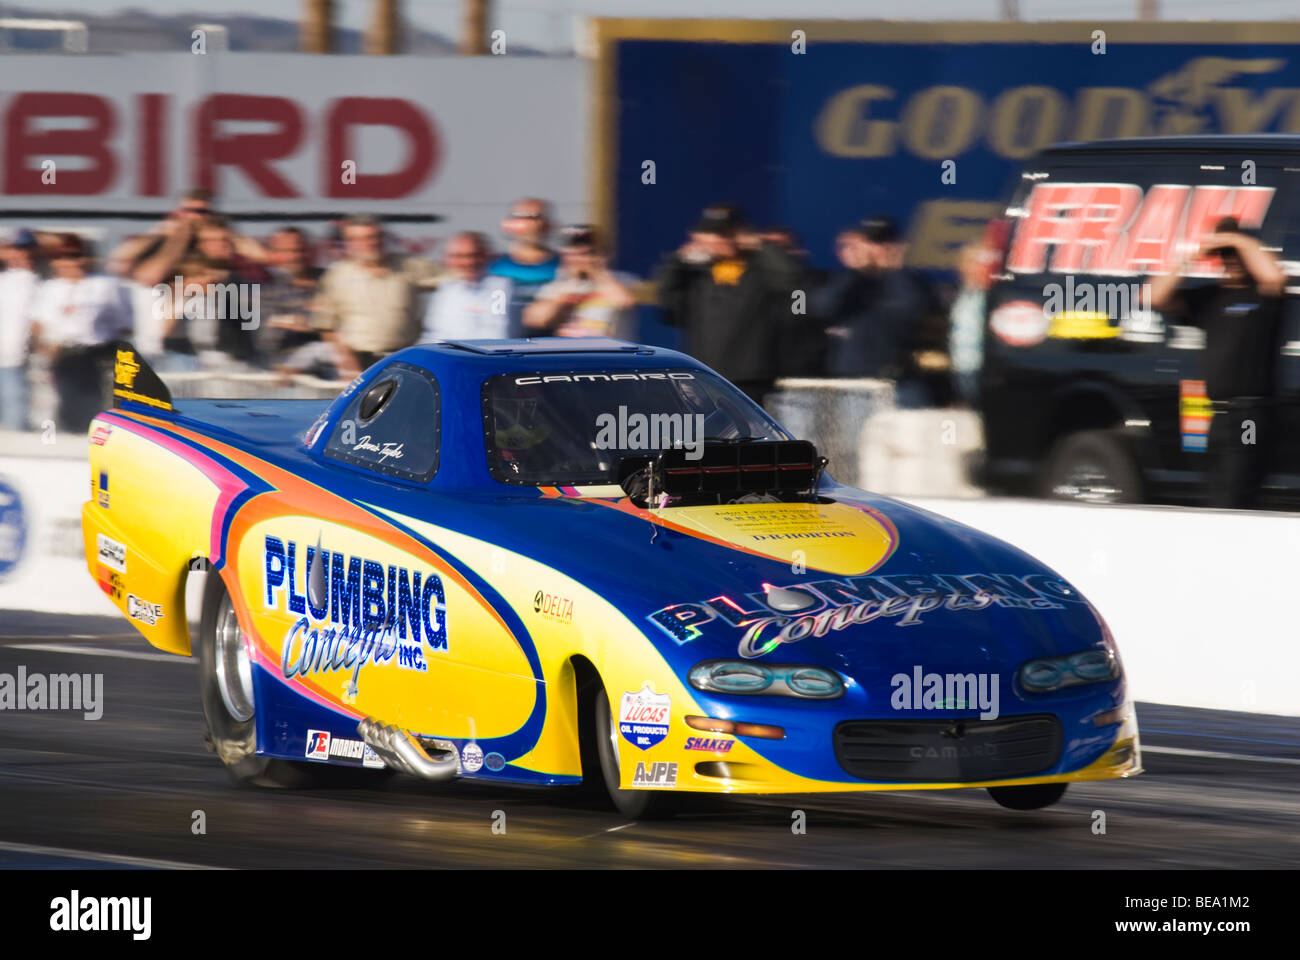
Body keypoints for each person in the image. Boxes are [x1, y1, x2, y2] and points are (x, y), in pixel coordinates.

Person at [1150, 216, 1288, 509]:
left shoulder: (1263, 295)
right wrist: (1191, 258)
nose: (1232, 259)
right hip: (1218, 417)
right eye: (1225, 254)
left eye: (1236, 253)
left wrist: (1234, 240)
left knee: (1234, 498)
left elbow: (1275, 277)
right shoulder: (1211, 298)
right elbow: (1154, 296)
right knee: (1215, 498)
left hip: (1250, 415)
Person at [655, 203, 804, 405]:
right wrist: (678, 262)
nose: (720, 240)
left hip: (750, 380)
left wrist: (760, 245)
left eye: (727, 233)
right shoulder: (694, 275)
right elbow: (667, 310)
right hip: (702, 377)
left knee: (751, 436)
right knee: (703, 436)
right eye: (712, 234)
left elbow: (794, 284)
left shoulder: (760, 270)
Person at [29, 234, 133, 433]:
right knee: (64, 403)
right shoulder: (50, 288)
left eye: (76, 255)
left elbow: (124, 324)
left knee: (97, 405)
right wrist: (44, 354)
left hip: (97, 354)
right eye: (64, 256)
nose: (71, 262)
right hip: (63, 354)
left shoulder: (106, 286)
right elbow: (39, 324)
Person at [313, 215, 439, 379]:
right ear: (349, 243)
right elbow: (326, 326)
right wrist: (348, 367)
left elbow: (454, 278)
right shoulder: (336, 275)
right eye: (362, 239)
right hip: (360, 364)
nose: (371, 243)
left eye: (375, 237)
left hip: (405, 361)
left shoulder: (410, 266)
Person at [524, 225, 637, 338]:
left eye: (587, 253)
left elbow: (625, 301)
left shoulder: (621, 279)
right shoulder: (558, 286)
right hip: (571, 351)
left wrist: (596, 271)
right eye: (572, 253)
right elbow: (536, 319)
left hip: (611, 352)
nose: (578, 258)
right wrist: (569, 286)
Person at [421, 232, 517, 342]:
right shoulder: (446, 288)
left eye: (473, 255)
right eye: (458, 256)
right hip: (447, 355)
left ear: (486, 256)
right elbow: (433, 333)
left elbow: (497, 335)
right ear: (446, 259)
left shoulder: (500, 289)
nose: (468, 262)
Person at [488, 198, 560, 318]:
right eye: (524, 217)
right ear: (508, 224)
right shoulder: (493, 266)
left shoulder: (565, 265)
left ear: (549, 225)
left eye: (537, 218)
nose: (532, 225)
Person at [0, 229, 41, 430]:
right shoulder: (5, 280)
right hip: (7, 357)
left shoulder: (43, 280)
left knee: (16, 416)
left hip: (21, 358)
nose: (22, 253)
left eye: (26, 248)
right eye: (16, 247)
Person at [949, 241, 992, 408]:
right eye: (971, 262)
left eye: (981, 263)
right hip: (961, 369)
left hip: (981, 370)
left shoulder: (992, 298)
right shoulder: (960, 296)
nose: (978, 268)